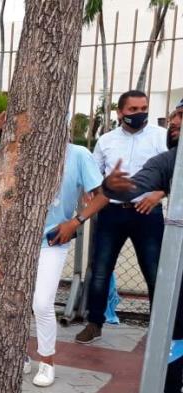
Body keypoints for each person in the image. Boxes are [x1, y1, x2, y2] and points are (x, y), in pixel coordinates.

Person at [0, 112, 104, 387]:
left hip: (52, 240)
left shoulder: (78, 155)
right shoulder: (23, 152)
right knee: (14, 301)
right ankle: (20, 355)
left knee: (42, 303)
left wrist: (75, 221)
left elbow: (103, 195)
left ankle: (47, 362)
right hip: (17, 240)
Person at [102, 97, 182, 393]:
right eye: (175, 114)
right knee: (176, 330)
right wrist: (114, 187)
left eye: (182, 116)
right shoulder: (168, 161)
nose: (174, 121)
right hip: (179, 264)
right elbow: (132, 187)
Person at [75, 90, 168, 345]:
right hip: (112, 212)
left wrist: (158, 194)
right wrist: (93, 192)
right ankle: (94, 324)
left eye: (143, 108)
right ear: (120, 112)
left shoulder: (161, 137)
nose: (139, 114)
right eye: (133, 110)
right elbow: (94, 174)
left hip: (147, 212)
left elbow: (173, 172)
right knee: (100, 270)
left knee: (154, 272)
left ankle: (159, 329)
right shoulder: (106, 141)